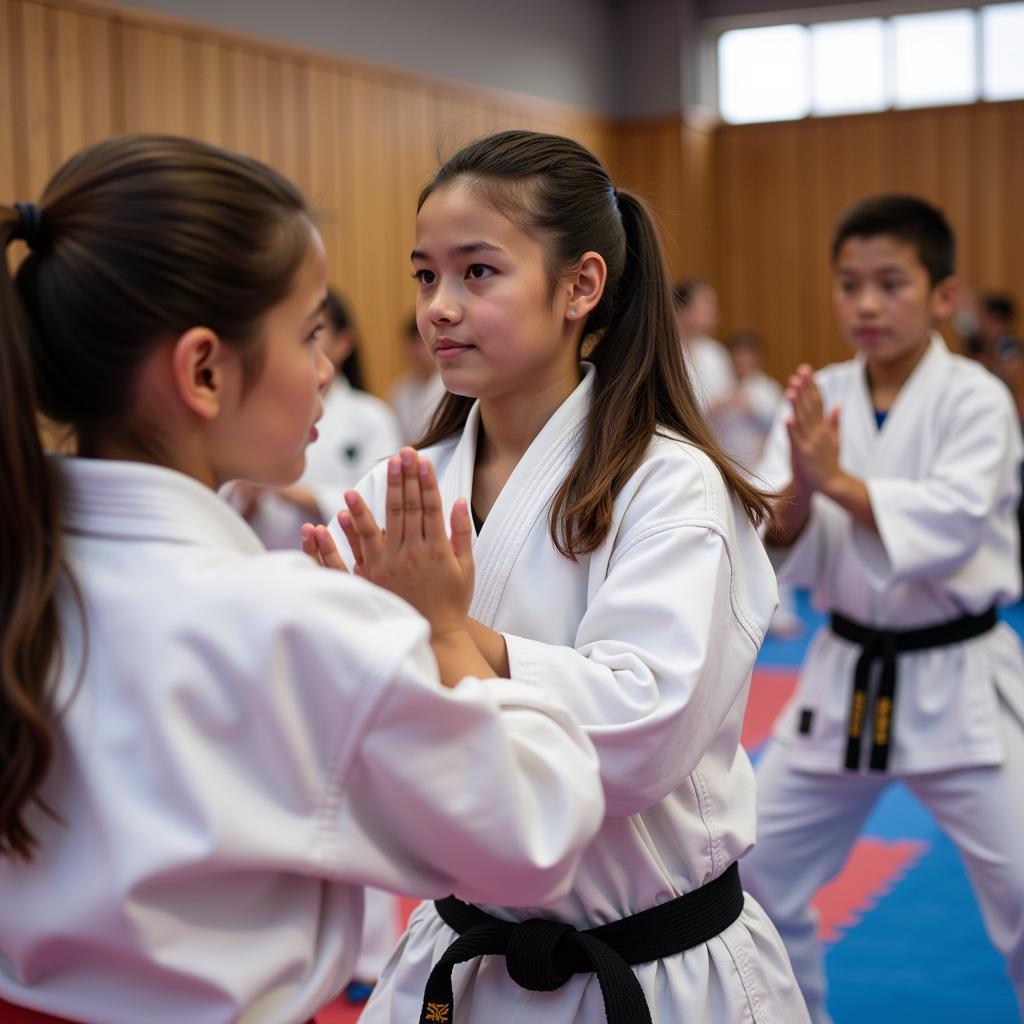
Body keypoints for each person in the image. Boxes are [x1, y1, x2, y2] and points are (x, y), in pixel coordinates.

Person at [0, 134, 607, 1024]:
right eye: (307, 332)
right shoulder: (286, 619)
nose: (326, 367)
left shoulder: (29, 568)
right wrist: (439, 632)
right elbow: (534, 830)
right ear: (205, 370)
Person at [312, 129, 810, 1024]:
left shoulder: (671, 485)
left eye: (478, 273)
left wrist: (450, 638)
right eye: (426, 275)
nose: (439, 307)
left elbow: (640, 739)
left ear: (581, 285)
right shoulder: (400, 488)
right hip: (458, 954)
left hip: (654, 968)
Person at [742, 195, 1024, 1023]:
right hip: (843, 677)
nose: (865, 304)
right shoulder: (817, 396)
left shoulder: (976, 400)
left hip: (961, 681)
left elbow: (950, 524)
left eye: (890, 283)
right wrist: (799, 478)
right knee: (753, 878)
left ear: (943, 294)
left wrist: (834, 479)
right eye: (849, 284)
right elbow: (776, 531)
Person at [228, 289, 402, 550]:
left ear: (343, 344)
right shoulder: (257, 414)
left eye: (312, 334)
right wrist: (246, 499)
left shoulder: (371, 417)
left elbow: (383, 505)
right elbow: (225, 505)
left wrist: (292, 493)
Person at [672, 278, 735, 414]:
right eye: (706, 305)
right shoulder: (663, 351)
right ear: (681, 309)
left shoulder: (716, 352)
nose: (713, 312)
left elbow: (728, 397)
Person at [389, 313, 446, 443]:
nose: (416, 351)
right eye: (412, 343)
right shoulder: (401, 389)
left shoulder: (453, 386)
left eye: (421, 342)